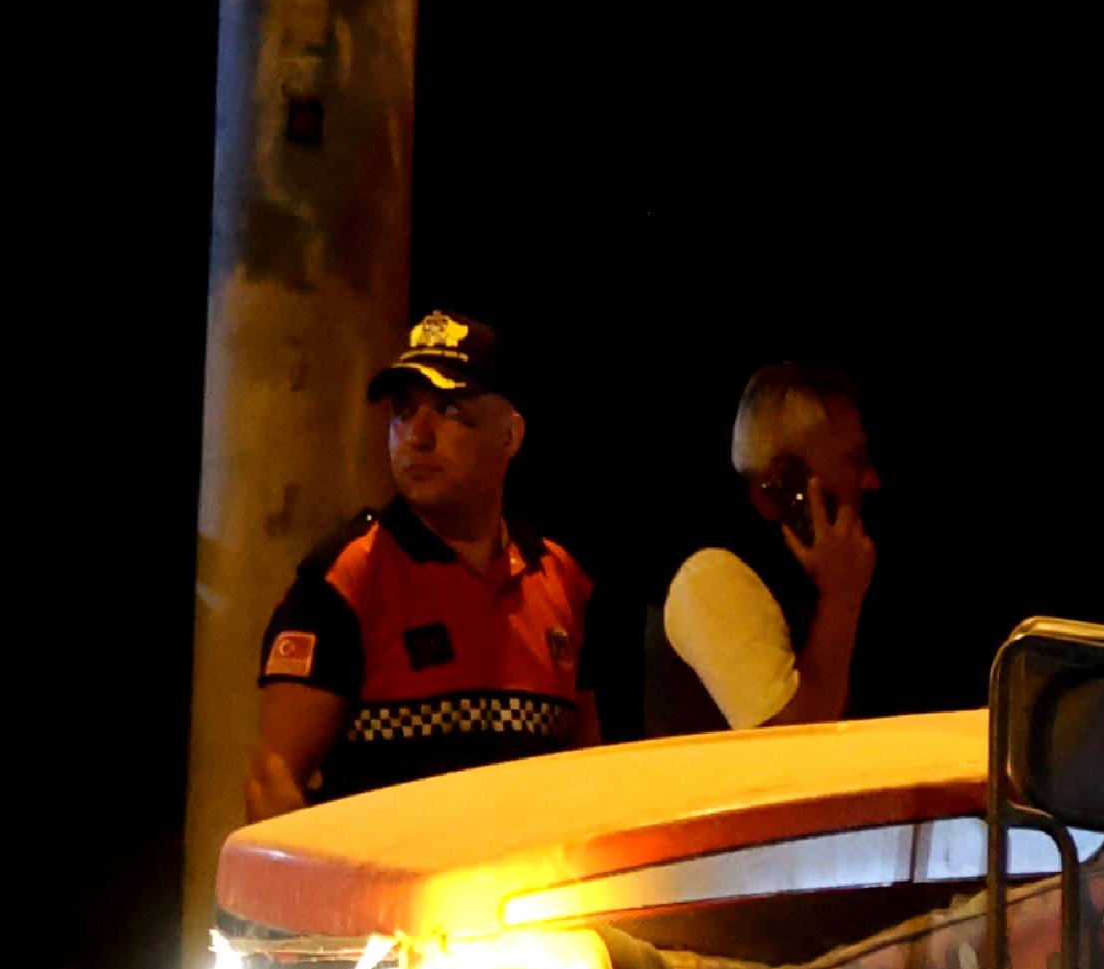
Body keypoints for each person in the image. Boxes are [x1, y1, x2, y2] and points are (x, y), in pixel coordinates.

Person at [249, 311, 595, 815]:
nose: (418, 436)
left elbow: (587, 768)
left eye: (449, 410)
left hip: (528, 889)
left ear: (510, 435)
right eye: (403, 412)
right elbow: (273, 780)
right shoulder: (347, 577)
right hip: (382, 891)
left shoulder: (560, 577)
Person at [653, 361, 886, 734]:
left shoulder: (815, 581)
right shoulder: (711, 575)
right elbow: (795, 746)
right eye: (854, 460)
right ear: (783, 481)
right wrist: (841, 598)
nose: (872, 480)